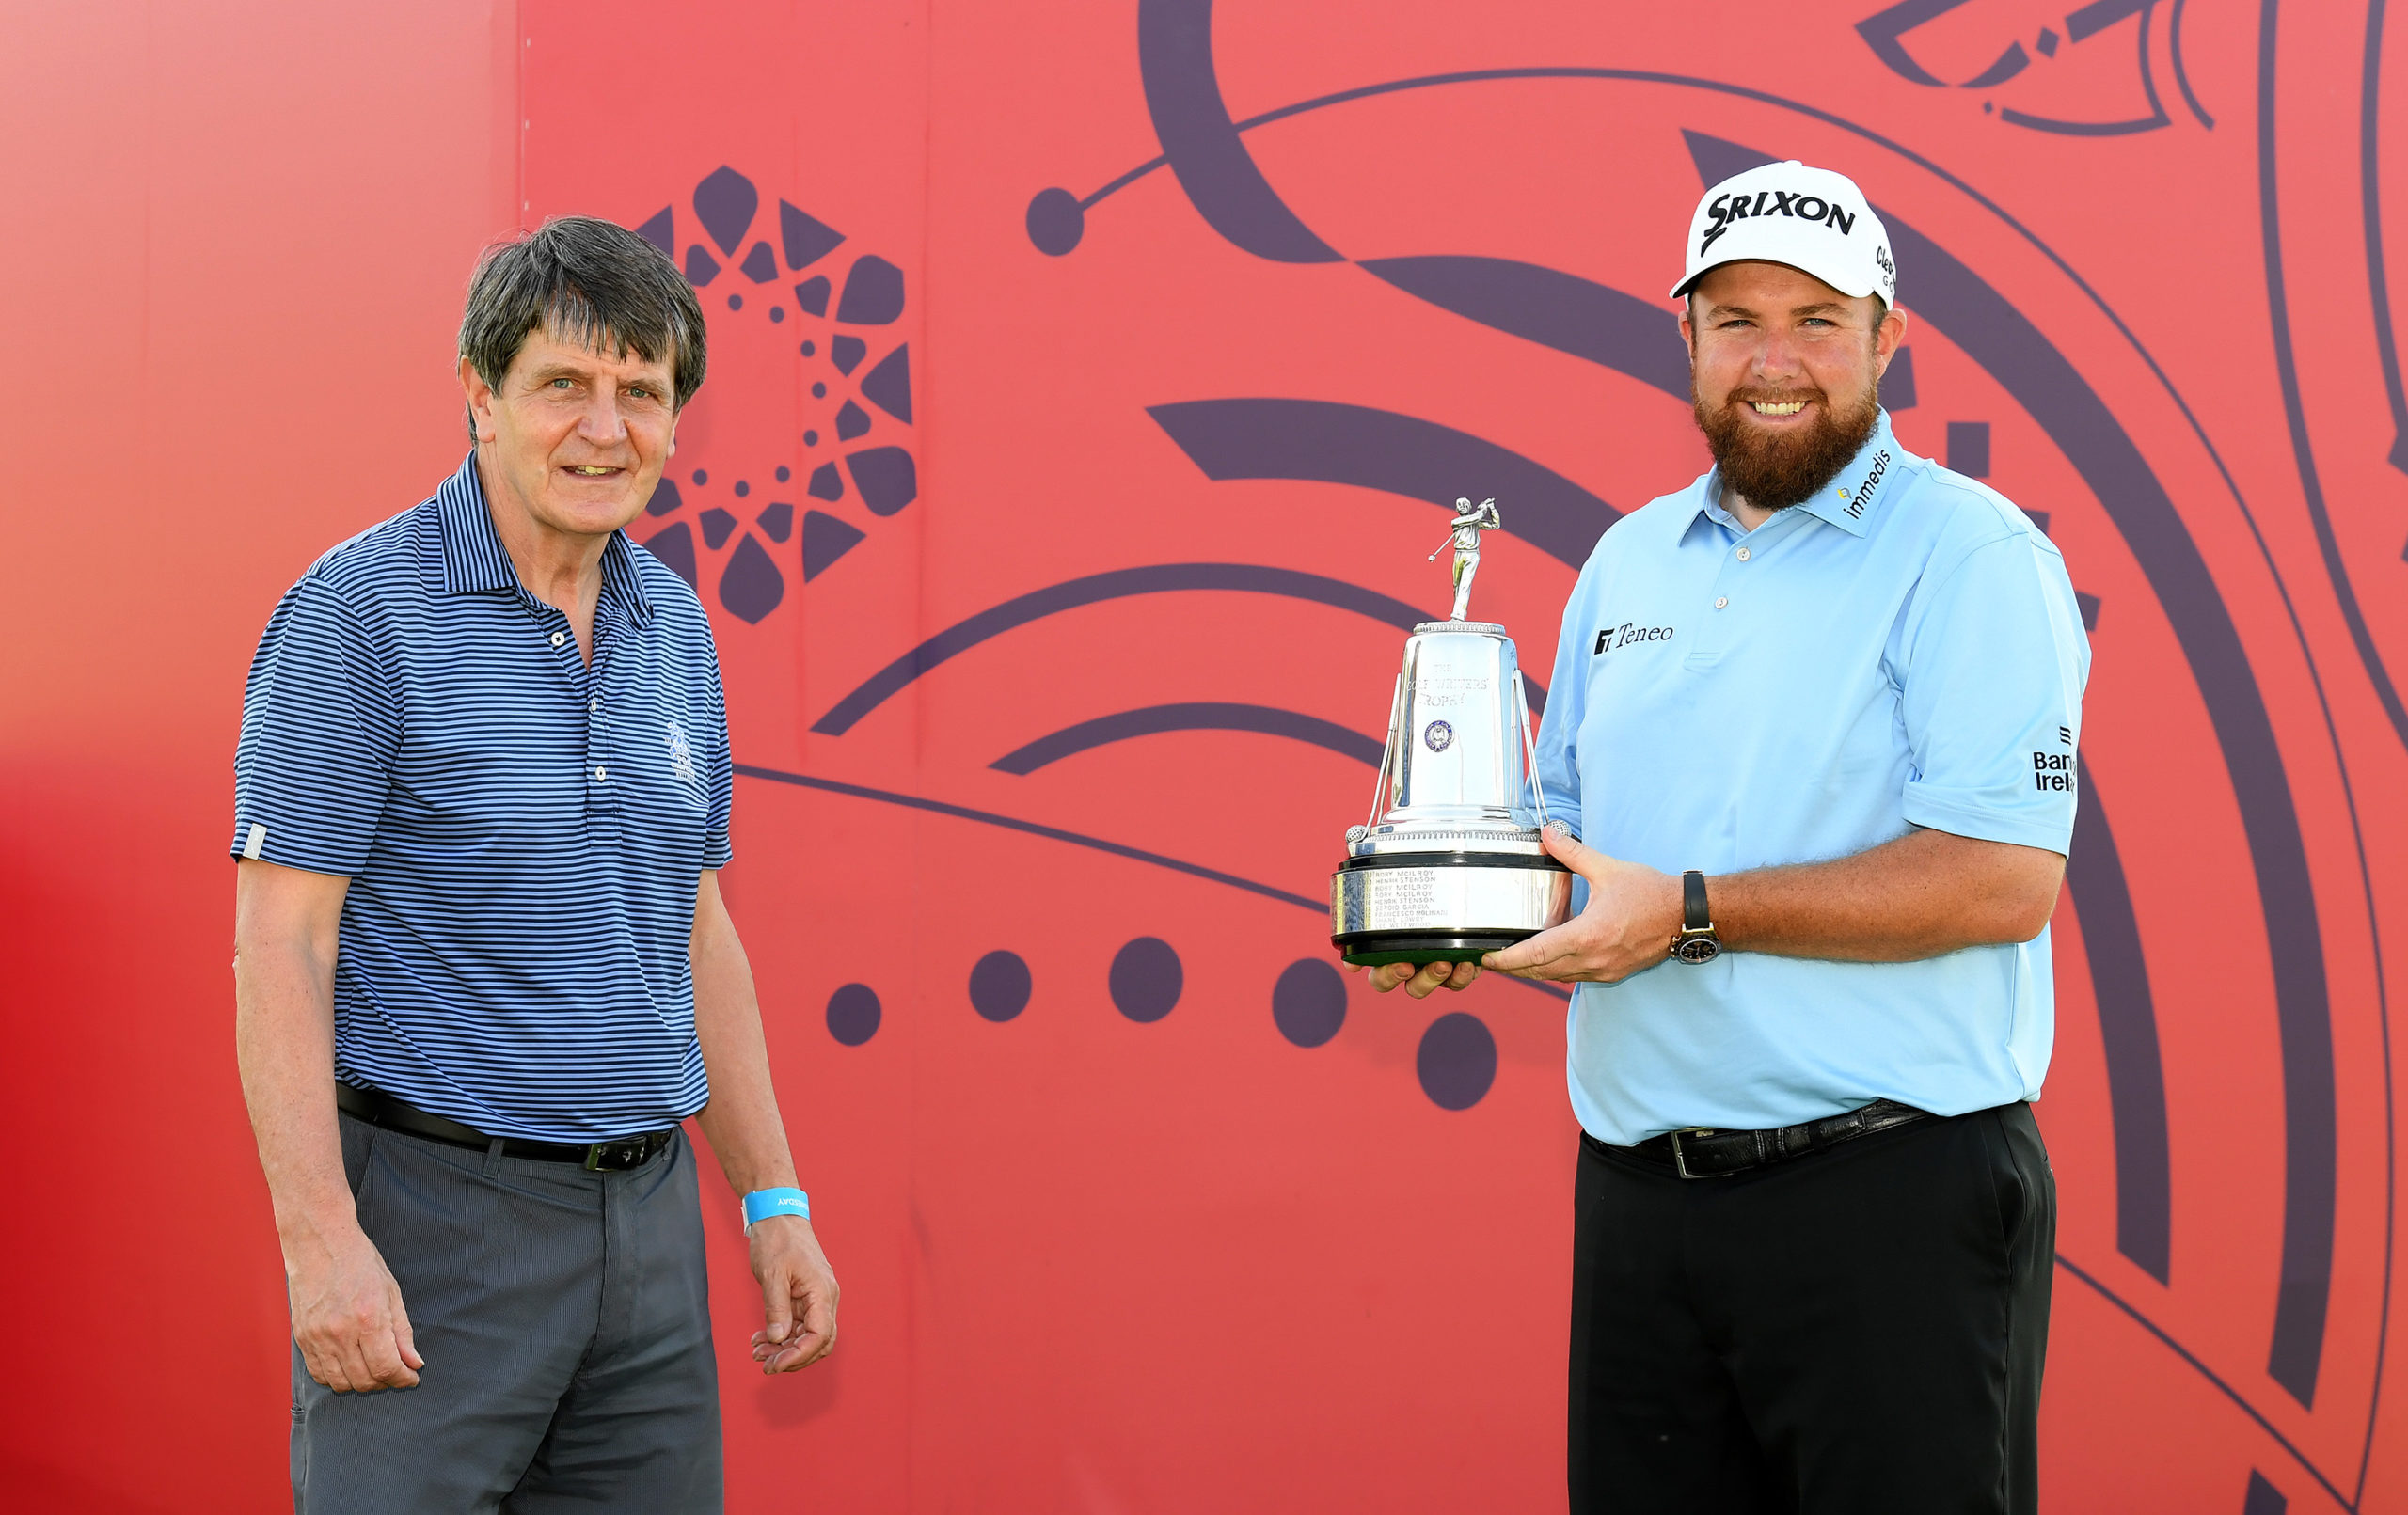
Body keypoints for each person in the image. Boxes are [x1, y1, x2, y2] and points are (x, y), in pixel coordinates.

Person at [1362, 160, 2087, 1513]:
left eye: (1818, 319)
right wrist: (1454, 917)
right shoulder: (1627, 563)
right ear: (1683, 337)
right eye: (1736, 319)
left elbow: (2001, 881)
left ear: (1889, 337)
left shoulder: (1972, 555)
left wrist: (1692, 911)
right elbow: (1565, 835)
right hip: (1644, 1209)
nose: (1776, 359)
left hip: (1892, 1200)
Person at [231, 215, 837, 1514]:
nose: (605, 429)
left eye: (642, 393)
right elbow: (282, 943)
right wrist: (321, 1241)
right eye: (564, 384)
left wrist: (771, 1195)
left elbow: (695, 929)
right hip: (437, 1233)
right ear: (479, 395)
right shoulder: (356, 616)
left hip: (652, 1234)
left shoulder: (675, 626)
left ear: (678, 422)